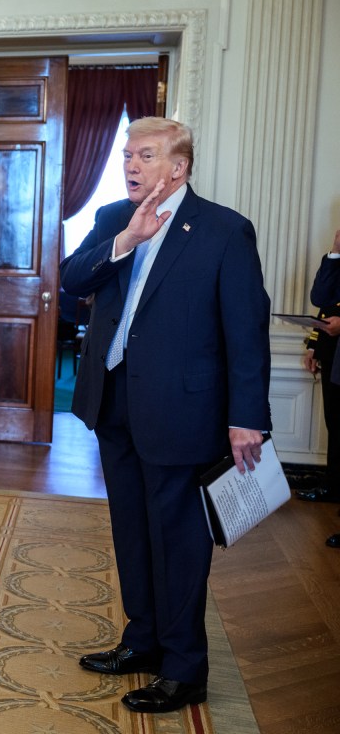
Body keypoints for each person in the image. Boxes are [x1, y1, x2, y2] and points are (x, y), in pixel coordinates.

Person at [61, 116, 270, 714]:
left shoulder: (224, 231)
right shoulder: (109, 220)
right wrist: (126, 240)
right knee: (131, 529)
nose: (130, 164)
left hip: (185, 410)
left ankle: (185, 668)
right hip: (115, 402)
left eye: (144, 155)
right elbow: (74, 277)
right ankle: (142, 640)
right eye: (128, 154)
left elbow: (245, 331)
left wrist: (246, 416)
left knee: (178, 541)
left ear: (177, 168)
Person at [301, 229, 340, 544]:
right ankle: (334, 486)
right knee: (336, 426)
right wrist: (336, 253)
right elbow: (322, 300)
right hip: (334, 357)